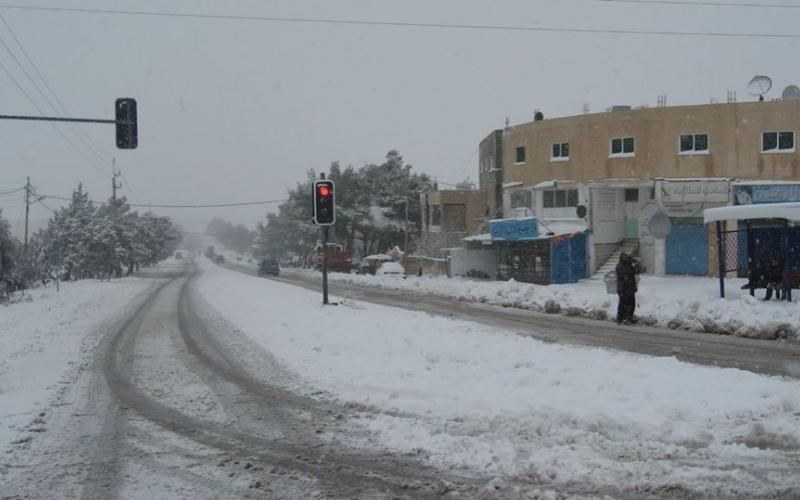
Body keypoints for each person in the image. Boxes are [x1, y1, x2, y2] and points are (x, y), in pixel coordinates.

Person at [616, 253, 641, 324]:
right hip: (623, 289)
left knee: (631, 304)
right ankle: (620, 318)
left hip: (630, 288)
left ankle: (629, 317)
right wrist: (632, 267)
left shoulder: (629, 266)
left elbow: (637, 272)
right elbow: (626, 273)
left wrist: (636, 265)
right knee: (623, 304)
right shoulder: (620, 266)